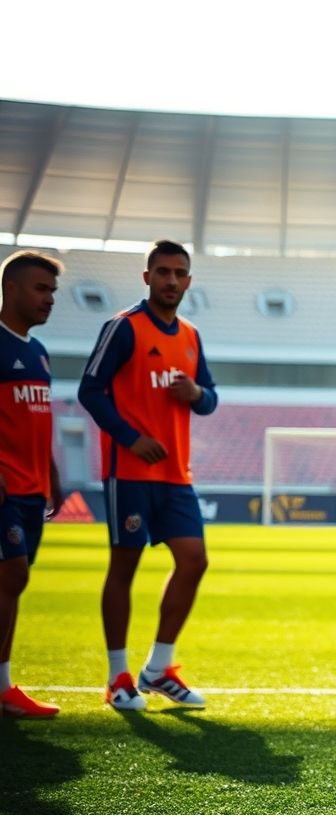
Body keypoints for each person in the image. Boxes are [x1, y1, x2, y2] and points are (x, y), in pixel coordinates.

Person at [78, 240, 217, 711]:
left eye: (179, 273)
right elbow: (90, 389)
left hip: (176, 473)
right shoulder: (122, 328)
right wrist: (130, 437)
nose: (171, 281)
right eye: (163, 272)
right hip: (130, 471)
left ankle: (159, 669)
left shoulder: (191, 336)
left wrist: (195, 391)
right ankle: (117, 676)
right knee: (125, 566)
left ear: (189, 281)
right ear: (147, 277)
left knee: (194, 561)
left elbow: (211, 399)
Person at [0, 251, 64, 718]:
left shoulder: (37, 351)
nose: (49, 299)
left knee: (12, 584)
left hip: (31, 487)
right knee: (11, 576)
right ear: (12, 288)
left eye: (53, 292)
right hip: (4, 488)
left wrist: (53, 474)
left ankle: (3, 686)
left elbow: (35, 418)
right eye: (41, 289)